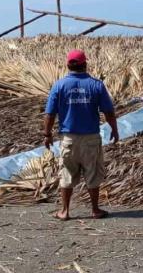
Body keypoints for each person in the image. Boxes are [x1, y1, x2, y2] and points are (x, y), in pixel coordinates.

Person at [44, 50, 119, 221]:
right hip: (91, 137)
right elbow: (108, 111)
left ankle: (64, 211)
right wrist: (114, 129)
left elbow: (49, 114)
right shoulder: (96, 85)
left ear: (68, 65)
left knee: (67, 173)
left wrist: (47, 134)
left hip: (68, 138)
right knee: (92, 173)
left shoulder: (59, 85)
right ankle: (94, 209)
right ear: (85, 64)